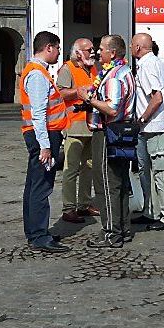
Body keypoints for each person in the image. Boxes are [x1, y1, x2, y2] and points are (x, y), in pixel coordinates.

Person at [78, 34, 136, 249]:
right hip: (120, 132)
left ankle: (111, 232)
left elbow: (112, 108)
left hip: (108, 132)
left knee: (106, 183)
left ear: (112, 53)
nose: (97, 52)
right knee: (119, 182)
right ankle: (122, 228)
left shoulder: (113, 77)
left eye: (101, 49)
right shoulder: (123, 71)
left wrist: (90, 99)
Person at [20, 31, 70, 253]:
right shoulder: (38, 74)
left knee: (34, 184)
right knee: (42, 186)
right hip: (44, 135)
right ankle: (39, 235)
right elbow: (39, 113)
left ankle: (35, 232)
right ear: (48, 47)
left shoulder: (35, 71)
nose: (59, 52)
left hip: (41, 133)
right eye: (57, 48)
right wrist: (46, 146)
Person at [131, 33, 164, 231]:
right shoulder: (155, 63)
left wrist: (142, 118)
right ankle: (151, 211)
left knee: (161, 173)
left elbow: (157, 97)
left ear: (138, 47)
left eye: (133, 44)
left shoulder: (149, 65)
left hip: (155, 127)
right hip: (150, 128)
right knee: (147, 172)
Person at [57, 38, 101, 224]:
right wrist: (78, 92)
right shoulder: (67, 68)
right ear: (77, 53)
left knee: (89, 167)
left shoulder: (93, 68)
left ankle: (84, 204)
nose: (93, 52)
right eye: (88, 49)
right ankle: (69, 208)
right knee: (71, 169)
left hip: (91, 125)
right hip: (74, 126)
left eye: (92, 49)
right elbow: (60, 92)